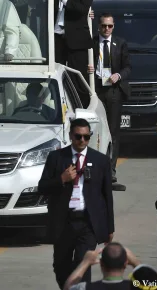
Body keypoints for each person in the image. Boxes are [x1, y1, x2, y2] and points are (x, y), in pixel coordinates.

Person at [38, 118, 115, 289]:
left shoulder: (101, 161)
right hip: (64, 222)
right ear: (70, 135)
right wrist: (61, 179)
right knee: (61, 266)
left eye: (86, 137)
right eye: (78, 136)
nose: (82, 141)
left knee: (83, 265)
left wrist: (109, 227)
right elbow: (42, 187)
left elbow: (107, 195)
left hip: (88, 223)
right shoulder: (56, 157)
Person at [91, 14, 131, 192]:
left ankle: (111, 170)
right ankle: (95, 168)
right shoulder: (91, 43)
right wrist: (89, 67)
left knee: (113, 131)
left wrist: (119, 75)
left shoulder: (120, 43)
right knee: (96, 129)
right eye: (103, 26)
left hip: (114, 90)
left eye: (110, 26)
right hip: (97, 89)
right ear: (98, 26)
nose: (106, 29)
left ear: (114, 26)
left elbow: (128, 67)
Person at [53, 0, 94, 107]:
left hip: (76, 39)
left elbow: (82, 9)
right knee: (56, 73)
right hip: (56, 37)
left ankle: (81, 107)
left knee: (78, 76)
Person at [63, 242, 141, 290]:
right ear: (126, 264)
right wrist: (135, 261)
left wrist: (85, 263)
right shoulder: (137, 286)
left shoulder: (85, 288)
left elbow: (68, 288)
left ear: (101, 263)